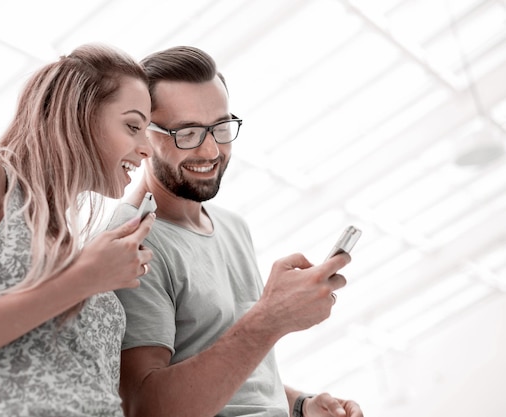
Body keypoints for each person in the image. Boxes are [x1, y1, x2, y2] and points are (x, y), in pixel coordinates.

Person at [0, 43, 156, 417]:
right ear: (79, 114)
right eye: (133, 126)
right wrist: (83, 278)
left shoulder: (71, 243)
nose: (147, 147)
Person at [109, 46, 364, 417]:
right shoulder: (131, 242)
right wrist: (270, 319)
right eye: (189, 132)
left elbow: (228, 365)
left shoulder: (230, 226)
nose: (211, 150)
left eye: (221, 127)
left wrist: (300, 405)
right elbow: (146, 408)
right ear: (143, 134)